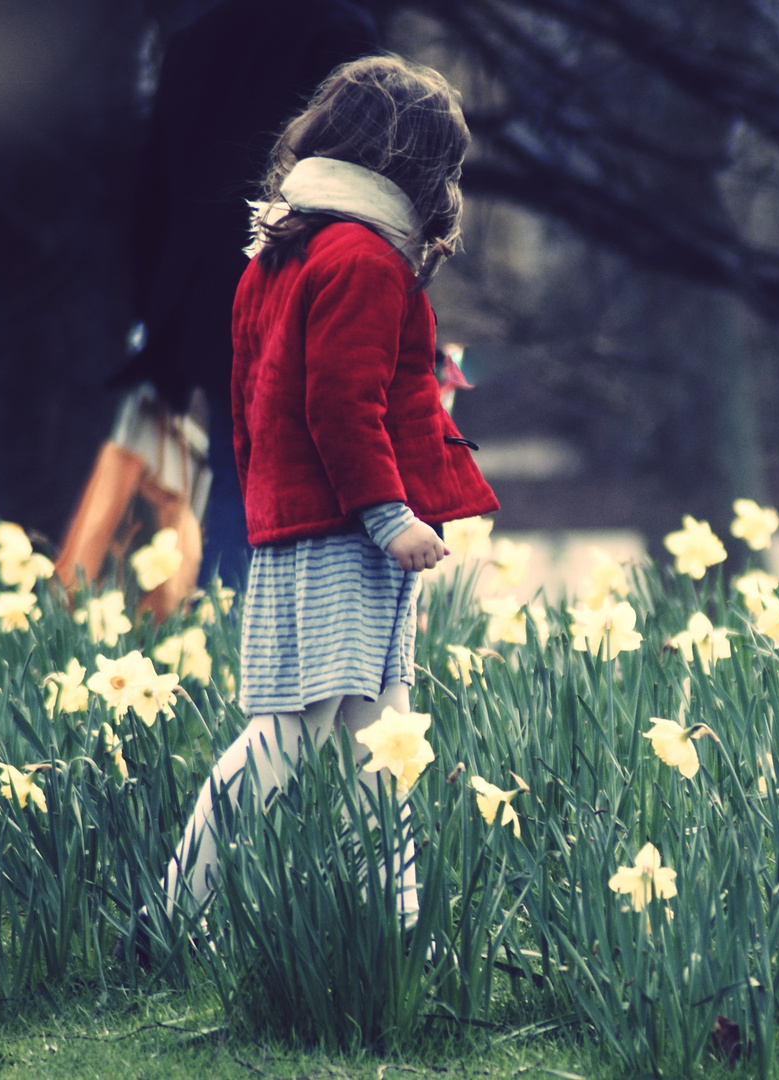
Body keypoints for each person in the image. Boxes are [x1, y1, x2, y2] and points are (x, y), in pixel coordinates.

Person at [163, 55, 499, 930]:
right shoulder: (360, 260)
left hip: (308, 527)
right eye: (448, 168)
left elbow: (257, 408)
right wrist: (388, 518)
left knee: (378, 742)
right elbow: (337, 407)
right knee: (296, 734)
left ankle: (390, 932)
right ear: (415, 167)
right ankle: (172, 916)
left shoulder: (287, 251)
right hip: (344, 535)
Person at [119, 0, 380, 590]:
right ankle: (248, 649)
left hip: (207, 299)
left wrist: (153, 310)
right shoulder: (336, 31)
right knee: (291, 479)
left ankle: (221, 642)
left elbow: (152, 185)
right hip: (299, 285)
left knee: (241, 472)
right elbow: (361, 174)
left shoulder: (197, 39)